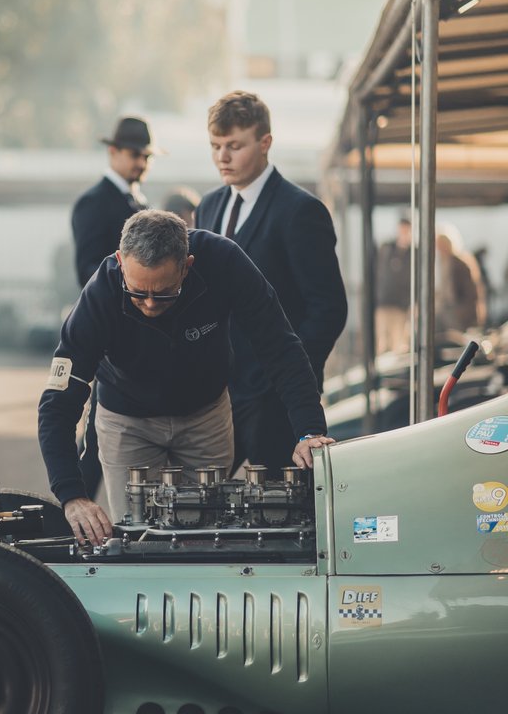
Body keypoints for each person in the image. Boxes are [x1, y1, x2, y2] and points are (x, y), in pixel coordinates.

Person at [38, 209, 332, 545]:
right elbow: (57, 403)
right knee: (139, 539)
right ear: (120, 262)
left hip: (205, 416)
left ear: (187, 265)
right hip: (127, 421)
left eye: (163, 293)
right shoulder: (98, 297)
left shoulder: (225, 262)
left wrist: (309, 428)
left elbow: (279, 346)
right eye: (137, 293)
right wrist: (72, 495)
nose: (149, 304)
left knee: (207, 538)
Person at [194, 90, 347, 475]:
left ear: (265, 143)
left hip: (279, 401)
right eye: (215, 146)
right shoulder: (208, 206)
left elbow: (328, 308)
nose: (222, 157)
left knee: (283, 515)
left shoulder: (301, 211)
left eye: (234, 145)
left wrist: (289, 380)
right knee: (199, 511)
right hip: (216, 396)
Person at [70, 116, 158, 498]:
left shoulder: (139, 202)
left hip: (147, 331)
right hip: (113, 328)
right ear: (113, 153)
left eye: (146, 155)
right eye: (135, 154)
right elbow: (88, 270)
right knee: (97, 431)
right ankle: (70, 507)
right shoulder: (93, 203)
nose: (141, 162)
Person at [435, 228, 486, 333]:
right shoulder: (443, 262)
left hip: (459, 311)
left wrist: (462, 311)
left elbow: (472, 291)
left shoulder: (461, 263)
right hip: (449, 309)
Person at [375, 216, 413, 355]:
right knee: (382, 342)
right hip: (384, 301)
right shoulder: (387, 249)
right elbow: (379, 273)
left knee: (399, 343)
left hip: (401, 306)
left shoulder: (413, 253)